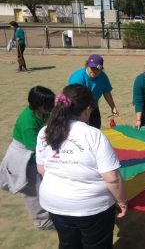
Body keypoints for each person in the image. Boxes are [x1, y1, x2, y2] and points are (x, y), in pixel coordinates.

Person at [36, 84, 127, 249]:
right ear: (86, 109)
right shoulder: (94, 135)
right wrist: (122, 201)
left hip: (55, 203)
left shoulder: (45, 131)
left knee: (68, 244)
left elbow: (41, 169)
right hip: (92, 208)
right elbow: (112, 178)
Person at [0, 86, 55, 230]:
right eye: (48, 105)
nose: (51, 107)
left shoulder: (42, 112)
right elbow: (34, 147)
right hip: (24, 156)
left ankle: (50, 211)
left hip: (36, 151)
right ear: (38, 106)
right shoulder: (28, 123)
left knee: (43, 185)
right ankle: (42, 221)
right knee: (32, 189)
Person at [68, 54, 119, 129]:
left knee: (95, 127)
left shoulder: (103, 77)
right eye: (92, 68)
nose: (94, 71)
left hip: (93, 106)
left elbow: (106, 93)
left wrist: (113, 107)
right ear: (87, 66)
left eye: (97, 69)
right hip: (78, 108)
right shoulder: (78, 78)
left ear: (101, 69)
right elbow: (72, 98)